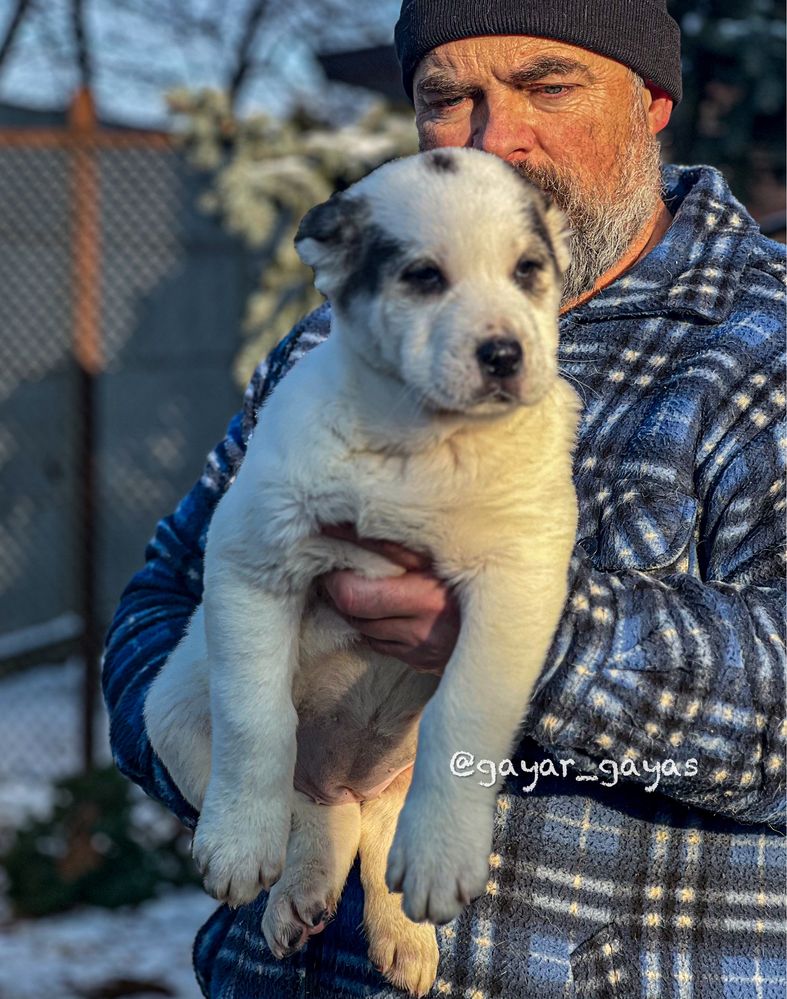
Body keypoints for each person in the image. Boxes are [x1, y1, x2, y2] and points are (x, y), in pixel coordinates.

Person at [102, 1, 786, 996]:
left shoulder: (762, 346)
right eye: (445, 97)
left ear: (651, 100)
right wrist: (232, 774)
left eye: (546, 85)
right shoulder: (337, 342)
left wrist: (525, 633)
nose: (493, 137)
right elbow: (166, 594)